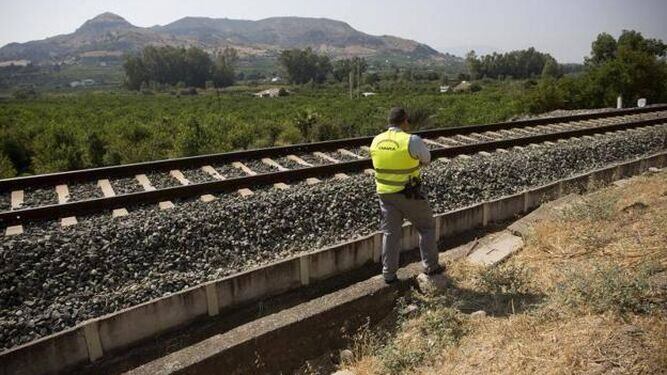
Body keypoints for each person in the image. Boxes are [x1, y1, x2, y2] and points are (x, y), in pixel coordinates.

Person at [370, 107, 443, 283]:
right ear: (404, 121)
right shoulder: (411, 140)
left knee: (390, 234)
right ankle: (431, 267)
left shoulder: (376, 140)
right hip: (409, 194)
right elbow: (426, 159)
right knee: (426, 227)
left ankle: (388, 274)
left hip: (385, 195)